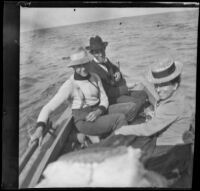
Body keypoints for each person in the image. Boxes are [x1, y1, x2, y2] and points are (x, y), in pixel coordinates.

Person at [29, 47, 139, 145]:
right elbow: (47, 108)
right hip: (84, 120)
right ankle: (107, 144)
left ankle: (106, 136)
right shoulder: (70, 85)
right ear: (73, 67)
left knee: (132, 107)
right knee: (120, 119)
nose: (83, 68)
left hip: (99, 111)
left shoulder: (95, 77)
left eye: (84, 64)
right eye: (78, 66)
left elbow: (104, 98)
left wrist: (99, 111)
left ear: (89, 62)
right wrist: (39, 129)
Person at [114, 57, 193, 155]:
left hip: (169, 147)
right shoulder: (175, 95)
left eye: (163, 85)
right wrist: (155, 114)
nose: (158, 90)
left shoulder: (173, 105)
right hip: (167, 140)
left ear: (175, 85)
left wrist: (121, 130)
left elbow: (147, 130)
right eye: (156, 85)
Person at [85, 35, 148, 121]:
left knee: (143, 94)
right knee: (136, 102)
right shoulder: (92, 69)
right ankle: (129, 121)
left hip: (118, 92)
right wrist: (127, 88)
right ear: (92, 53)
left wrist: (118, 72)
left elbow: (115, 68)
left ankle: (136, 114)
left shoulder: (105, 60)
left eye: (102, 50)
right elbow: (108, 93)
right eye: (96, 52)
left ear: (105, 49)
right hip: (109, 99)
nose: (100, 54)